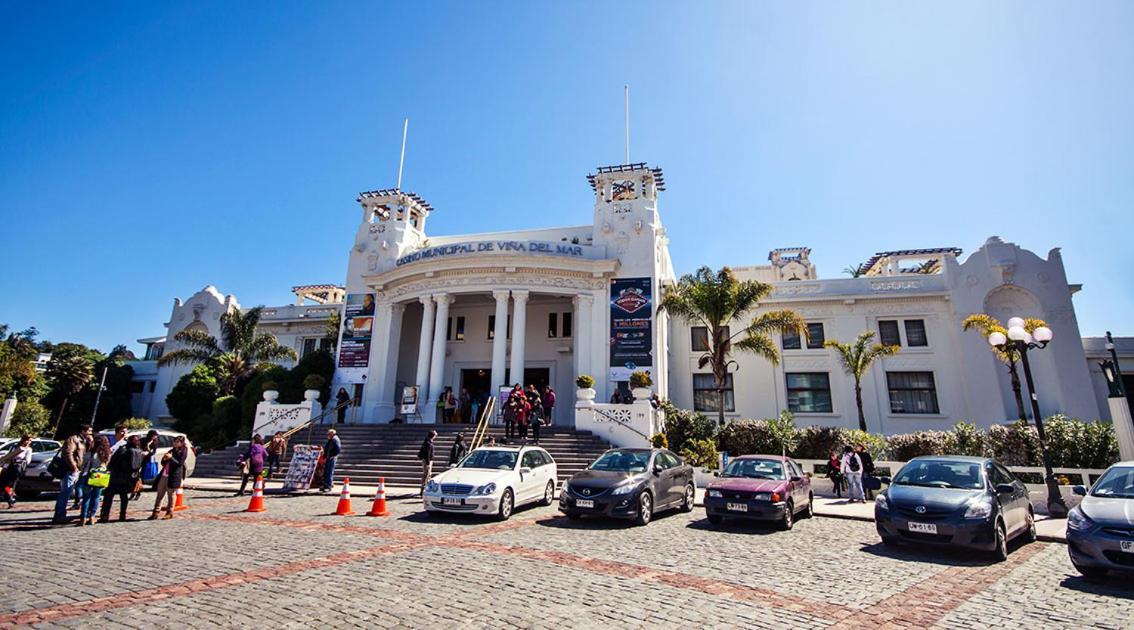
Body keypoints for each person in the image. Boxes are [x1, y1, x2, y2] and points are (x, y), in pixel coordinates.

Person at [100, 435, 144, 523]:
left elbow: (113, 461)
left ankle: (105, 515)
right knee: (124, 497)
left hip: (116, 476)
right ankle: (122, 515)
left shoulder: (123, 449)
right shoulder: (139, 451)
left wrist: (109, 470)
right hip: (128, 478)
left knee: (109, 496)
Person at [53, 424, 91, 525]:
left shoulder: (83, 441)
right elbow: (68, 453)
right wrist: (74, 466)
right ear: (83, 431)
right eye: (89, 431)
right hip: (70, 470)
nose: (90, 433)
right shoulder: (73, 439)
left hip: (78, 469)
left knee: (67, 492)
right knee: (65, 492)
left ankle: (59, 515)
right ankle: (60, 515)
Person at [150, 435, 188, 520]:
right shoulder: (171, 450)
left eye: (177, 441)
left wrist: (171, 458)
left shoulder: (183, 451)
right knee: (160, 493)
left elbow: (179, 463)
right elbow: (163, 463)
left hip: (174, 475)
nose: (175, 443)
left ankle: (169, 512)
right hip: (164, 474)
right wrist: (164, 458)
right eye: (174, 441)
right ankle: (155, 512)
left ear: (181, 443)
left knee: (171, 494)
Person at [78, 435, 112, 526]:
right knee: (96, 497)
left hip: (88, 476)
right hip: (101, 476)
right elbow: (108, 464)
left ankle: (83, 517)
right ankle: (92, 516)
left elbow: (83, 463)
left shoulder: (91, 452)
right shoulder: (107, 453)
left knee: (86, 498)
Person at [0, 435, 33, 508]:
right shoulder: (15, 446)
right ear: (23, 440)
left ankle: (10, 500)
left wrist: (19, 460)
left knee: (10, 485)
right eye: (28, 440)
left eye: (30, 440)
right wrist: (5, 466)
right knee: (3, 484)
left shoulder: (28, 449)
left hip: (17, 469)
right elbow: (9, 456)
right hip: (9, 467)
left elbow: (27, 461)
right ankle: (10, 499)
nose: (29, 442)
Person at [417, 430, 437, 496]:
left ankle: (425, 489)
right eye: (435, 435)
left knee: (427, 475)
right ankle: (423, 490)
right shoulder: (428, 443)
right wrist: (428, 464)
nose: (436, 436)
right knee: (426, 475)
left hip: (427, 461)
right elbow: (427, 454)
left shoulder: (427, 441)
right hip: (427, 461)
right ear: (433, 435)